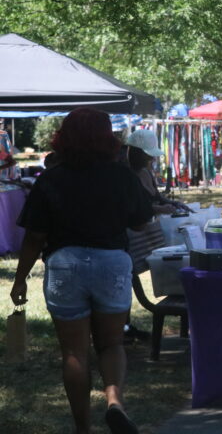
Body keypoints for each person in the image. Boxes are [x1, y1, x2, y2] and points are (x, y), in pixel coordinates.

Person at [10, 108, 153, 434]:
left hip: (65, 264)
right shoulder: (122, 176)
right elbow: (142, 221)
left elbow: (34, 236)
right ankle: (115, 402)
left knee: (74, 351)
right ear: (108, 137)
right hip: (112, 262)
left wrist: (20, 280)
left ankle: (82, 428)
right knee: (112, 344)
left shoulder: (51, 179)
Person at [125, 129, 190, 215]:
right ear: (138, 154)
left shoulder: (146, 172)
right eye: (149, 155)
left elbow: (158, 198)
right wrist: (158, 209)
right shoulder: (125, 177)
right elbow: (132, 209)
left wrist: (175, 203)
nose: (153, 159)